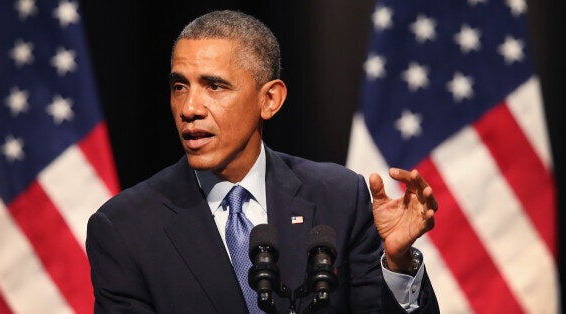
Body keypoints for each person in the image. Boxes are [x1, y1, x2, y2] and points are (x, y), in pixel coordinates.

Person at [86, 9, 439, 313]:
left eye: (214, 86)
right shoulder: (124, 229)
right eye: (180, 86)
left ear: (270, 99)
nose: (189, 108)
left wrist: (398, 263)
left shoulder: (340, 197)